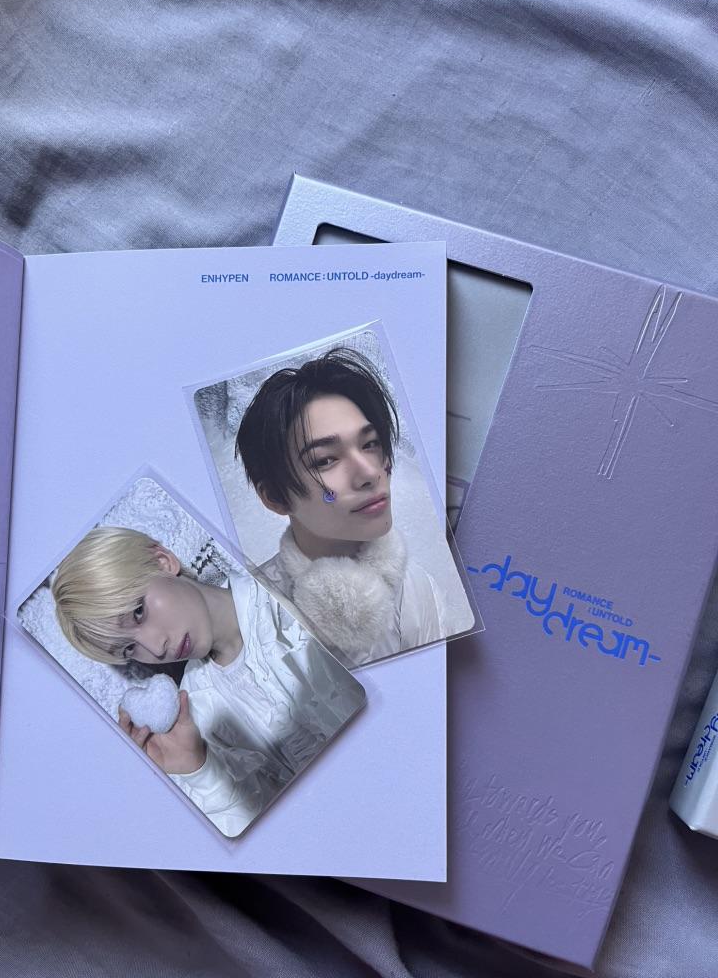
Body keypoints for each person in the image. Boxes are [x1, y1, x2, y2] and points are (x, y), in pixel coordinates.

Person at [51, 526, 363, 837]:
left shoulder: (289, 587)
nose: (156, 647)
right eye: (129, 649)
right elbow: (266, 834)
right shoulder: (194, 715)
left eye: (138, 612)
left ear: (163, 561)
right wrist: (198, 770)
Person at [235, 347, 460, 667]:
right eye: (325, 460)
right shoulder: (249, 615)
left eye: (370, 444)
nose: (370, 472)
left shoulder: (418, 590)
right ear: (274, 496)